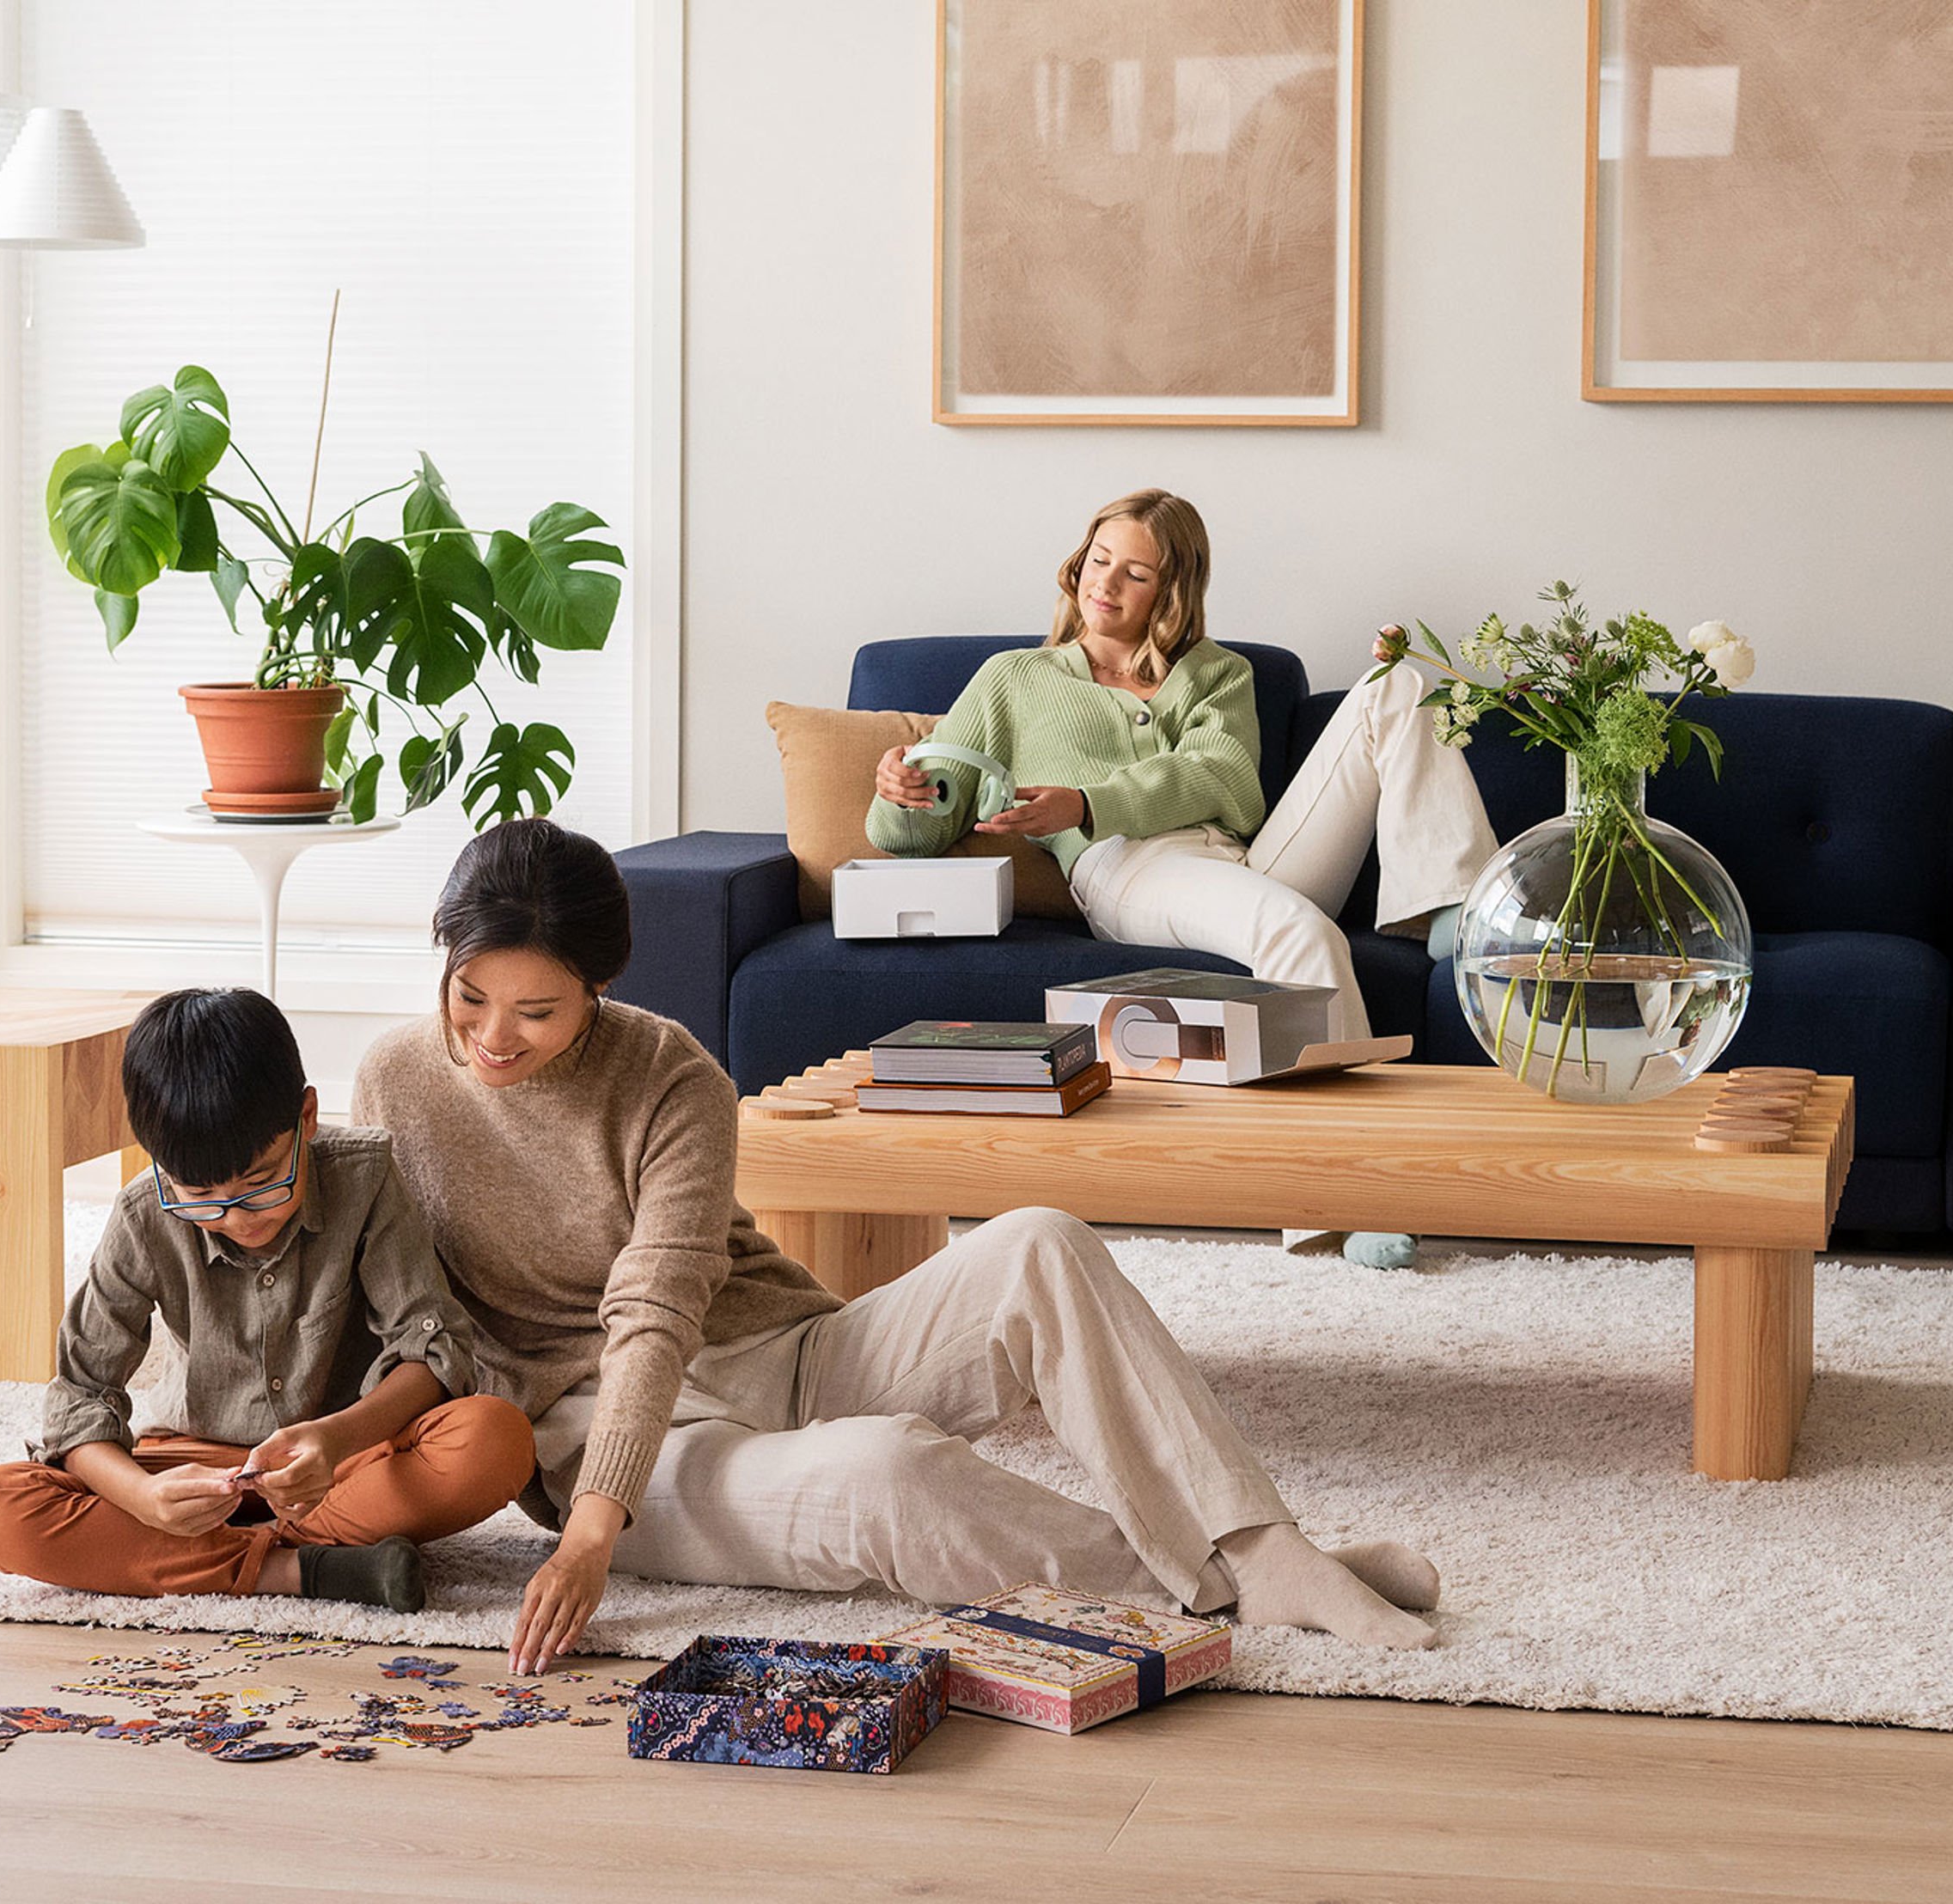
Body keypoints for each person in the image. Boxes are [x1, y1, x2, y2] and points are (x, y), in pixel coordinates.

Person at [353, 820, 1443, 1675]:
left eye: (536, 1010)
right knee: (889, 1474)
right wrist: (590, 1522)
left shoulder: (668, 1070)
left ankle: (1265, 1550)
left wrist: (584, 1540)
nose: (494, 1037)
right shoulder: (394, 1080)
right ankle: (1219, 1582)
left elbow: (659, 1303)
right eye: (471, 997)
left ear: (600, 986)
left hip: (780, 1352)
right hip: (607, 1452)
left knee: (1039, 1244)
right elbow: (377, 1290)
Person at [867, 486, 1498, 1266]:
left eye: (1135, 573)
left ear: (1171, 591)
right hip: (1128, 867)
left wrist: (1089, 794)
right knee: (1299, 932)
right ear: (1077, 564)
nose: (1106, 583)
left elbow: (1232, 783)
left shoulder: (1217, 673)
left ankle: (1445, 902)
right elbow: (925, 823)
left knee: (1396, 682)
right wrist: (900, 792)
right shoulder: (1015, 678)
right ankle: (1344, 1202)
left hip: (1244, 859)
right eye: (1100, 561)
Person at [0, 987, 534, 1612]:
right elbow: (79, 1398)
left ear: (307, 1118)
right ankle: (298, 1569)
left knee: (494, 1438)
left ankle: (216, 1559)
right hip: (194, 1466)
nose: (236, 1217)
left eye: (263, 1182)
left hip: (346, 1461)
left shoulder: (364, 1178)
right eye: (201, 1196)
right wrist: (141, 1499)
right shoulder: (143, 1213)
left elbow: (432, 1349)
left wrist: (336, 1440)